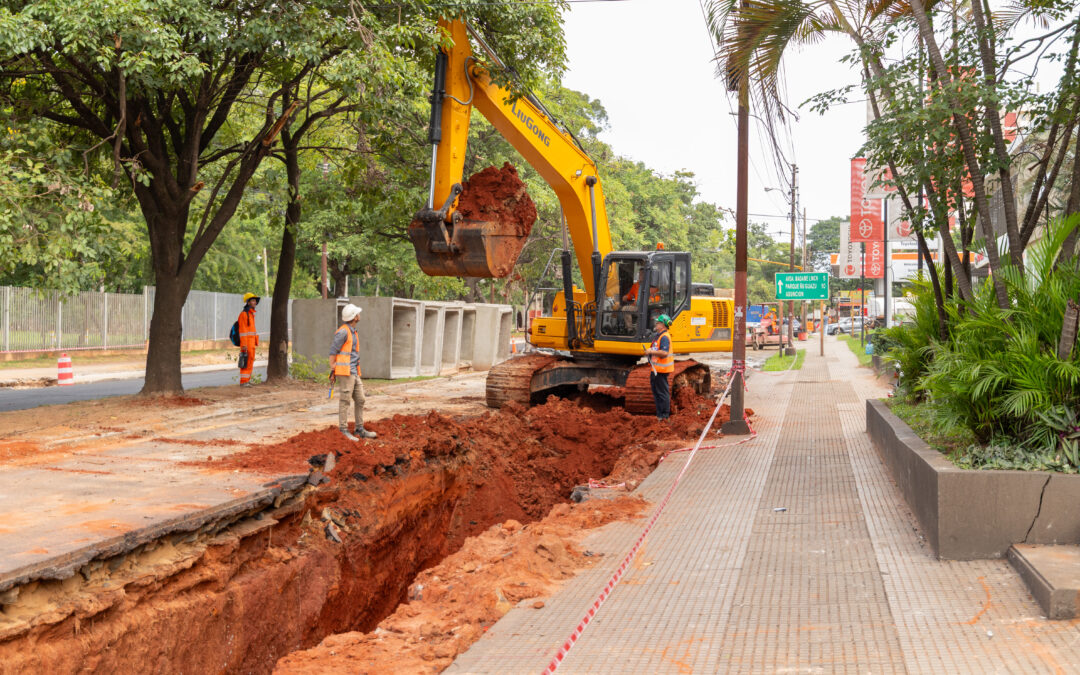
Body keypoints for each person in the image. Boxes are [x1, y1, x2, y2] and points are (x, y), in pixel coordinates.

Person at [330, 303, 377, 441]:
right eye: (358, 313)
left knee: (360, 399)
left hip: (353, 371)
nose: (359, 315)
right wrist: (333, 366)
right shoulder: (343, 331)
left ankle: (359, 429)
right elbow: (333, 349)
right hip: (345, 372)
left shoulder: (352, 331)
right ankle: (343, 430)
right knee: (345, 401)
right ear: (354, 317)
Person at [644, 314, 675, 420]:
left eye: (658, 323)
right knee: (657, 393)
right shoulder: (659, 335)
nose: (656, 324)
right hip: (656, 369)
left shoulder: (665, 336)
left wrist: (651, 351)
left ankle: (664, 415)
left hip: (661, 370)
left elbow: (664, 352)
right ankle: (659, 415)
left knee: (662, 393)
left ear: (663, 325)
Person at [237, 292, 259, 386]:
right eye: (253, 300)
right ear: (248, 302)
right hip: (247, 344)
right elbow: (243, 332)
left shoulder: (251, 314)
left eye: (255, 300)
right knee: (246, 362)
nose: (255, 302)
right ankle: (243, 382)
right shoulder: (244, 315)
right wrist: (244, 345)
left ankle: (247, 380)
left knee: (250, 361)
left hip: (251, 343)